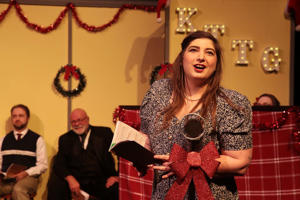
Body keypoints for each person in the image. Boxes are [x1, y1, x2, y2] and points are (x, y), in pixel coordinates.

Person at [140, 31, 253, 199]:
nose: (201, 57)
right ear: (182, 58)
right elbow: (147, 139)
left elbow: (240, 162)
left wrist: (190, 162)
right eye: (193, 50)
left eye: (209, 52)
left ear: (216, 63)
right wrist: (137, 155)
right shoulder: (158, 93)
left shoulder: (231, 103)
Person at [47, 108, 118, 200]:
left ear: (87, 119)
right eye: (73, 122)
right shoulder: (65, 139)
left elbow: (122, 155)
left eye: (79, 120)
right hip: (76, 181)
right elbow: (59, 163)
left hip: (101, 180)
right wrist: (70, 179)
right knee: (56, 184)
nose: (76, 124)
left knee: (116, 188)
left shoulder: (104, 133)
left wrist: (117, 176)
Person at [0, 104, 48, 199]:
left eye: (21, 115)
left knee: (18, 190)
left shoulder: (37, 139)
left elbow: (43, 165)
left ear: (28, 118)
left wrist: (26, 173)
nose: (17, 118)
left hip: (28, 178)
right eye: (14, 116)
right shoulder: (3, 140)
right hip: (7, 179)